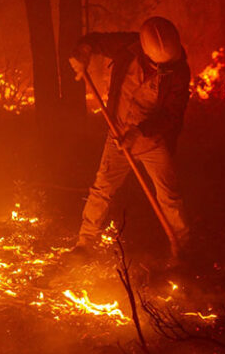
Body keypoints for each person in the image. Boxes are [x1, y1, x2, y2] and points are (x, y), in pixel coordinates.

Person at [68, 16, 191, 262]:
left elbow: (171, 116)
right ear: (145, 51)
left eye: (166, 65)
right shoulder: (128, 46)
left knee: (169, 196)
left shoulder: (178, 72)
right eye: (157, 65)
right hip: (118, 133)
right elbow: (93, 42)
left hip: (152, 140)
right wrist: (81, 54)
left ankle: (182, 248)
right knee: (102, 189)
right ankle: (83, 246)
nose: (162, 69)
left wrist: (140, 132)